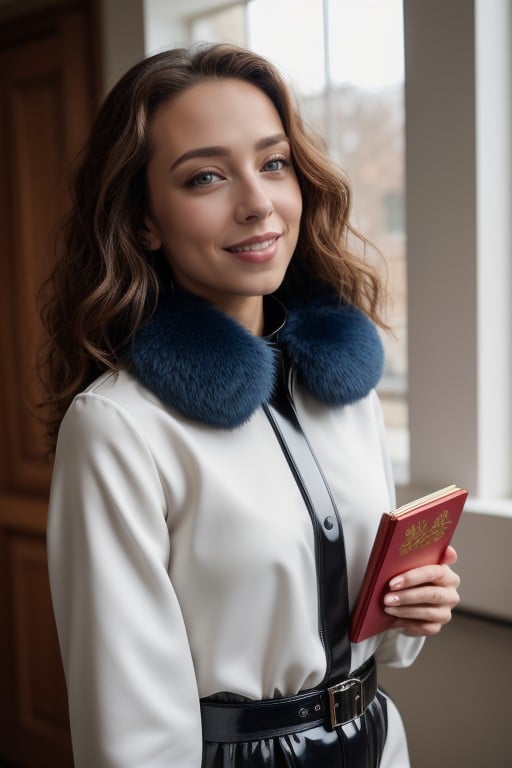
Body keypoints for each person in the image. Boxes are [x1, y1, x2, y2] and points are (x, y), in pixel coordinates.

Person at [40, 43, 460, 768]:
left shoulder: (340, 384)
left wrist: (412, 609)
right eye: (206, 176)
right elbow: (128, 730)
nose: (258, 202)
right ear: (144, 220)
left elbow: (379, 634)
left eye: (273, 163)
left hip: (380, 743)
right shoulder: (118, 429)